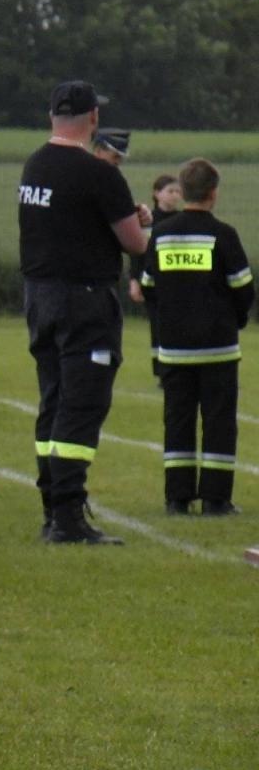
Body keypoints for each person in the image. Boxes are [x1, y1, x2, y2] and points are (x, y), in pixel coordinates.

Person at [18, 81, 151, 545]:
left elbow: (66, 220)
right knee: (82, 402)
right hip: (84, 299)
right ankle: (70, 517)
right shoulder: (99, 174)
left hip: (40, 295)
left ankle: (52, 506)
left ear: (52, 116)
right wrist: (141, 223)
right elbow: (134, 242)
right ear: (93, 118)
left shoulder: (35, 165)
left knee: (52, 399)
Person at [140, 158, 252, 516]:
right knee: (219, 422)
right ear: (213, 193)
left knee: (178, 420)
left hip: (174, 349)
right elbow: (243, 288)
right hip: (218, 347)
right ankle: (216, 499)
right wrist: (233, 320)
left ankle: (177, 497)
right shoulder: (224, 234)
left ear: (183, 192)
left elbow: (149, 287)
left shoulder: (160, 234)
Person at [128, 174, 183, 380]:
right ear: (156, 193)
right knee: (158, 326)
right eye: (170, 191)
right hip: (152, 282)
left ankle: (176, 367)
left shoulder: (182, 219)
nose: (175, 196)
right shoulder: (147, 220)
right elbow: (137, 253)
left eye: (178, 191)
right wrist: (135, 280)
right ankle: (160, 370)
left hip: (176, 282)